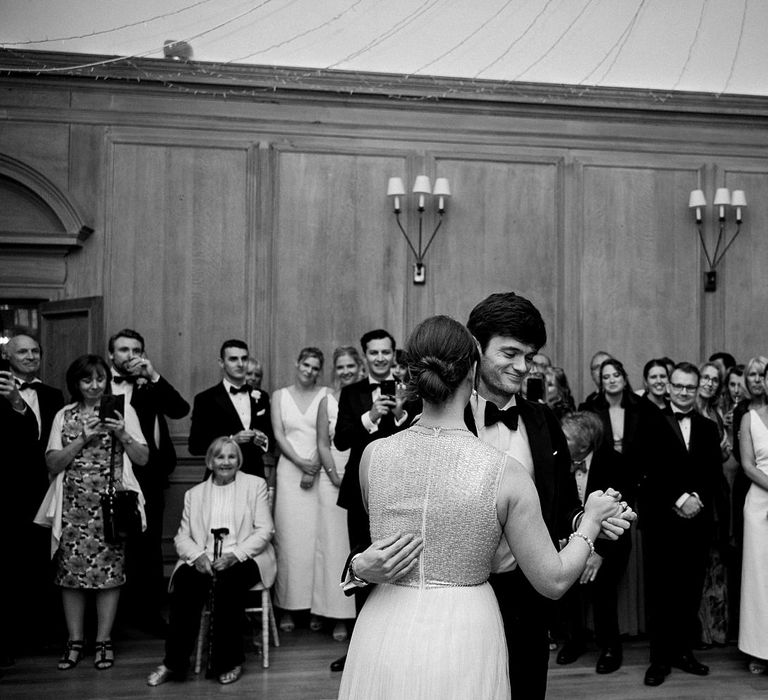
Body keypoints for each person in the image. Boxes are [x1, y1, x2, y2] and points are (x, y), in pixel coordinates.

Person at [337, 315, 624, 699]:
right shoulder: (505, 472)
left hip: (383, 625)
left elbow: (376, 544)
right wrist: (589, 523)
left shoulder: (373, 456)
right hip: (465, 628)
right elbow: (554, 581)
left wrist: (359, 568)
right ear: (473, 370)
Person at [38, 355, 148, 671]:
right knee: (70, 575)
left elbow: (142, 459)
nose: (95, 385)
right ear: (76, 383)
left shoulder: (124, 411)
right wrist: (83, 439)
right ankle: (74, 641)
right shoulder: (64, 415)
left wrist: (122, 433)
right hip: (73, 506)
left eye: (100, 378)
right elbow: (52, 463)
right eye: (87, 380)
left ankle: (103, 640)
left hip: (110, 506)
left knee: (109, 575)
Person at [146, 436, 276, 686]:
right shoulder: (194, 494)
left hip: (246, 556)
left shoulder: (255, 485)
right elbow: (182, 536)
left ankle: (229, 661)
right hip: (204, 557)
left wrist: (234, 556)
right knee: (185, 584)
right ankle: (174, 663)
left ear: (239, 460)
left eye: (231, 456)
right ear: (210, 461)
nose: (226, 462)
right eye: (220, 456)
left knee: (227, 585)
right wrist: (197, 557)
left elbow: (264, 530)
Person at [331, 329, 417, 672]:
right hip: (359, 491)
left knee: (400, 563)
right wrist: (371, 417)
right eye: (373, 353)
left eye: (385, 352)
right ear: (365, 355)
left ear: (392, 354)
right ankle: (359, 650)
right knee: (362, 563)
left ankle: (397, 647)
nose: (380, 358)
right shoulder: (351, 392)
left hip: (402, 490)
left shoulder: (409, 390)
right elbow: (340, 441)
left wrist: (398, 416)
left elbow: (419, 435)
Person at [640, 362, 724, 687]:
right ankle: (659, 660)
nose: (685, 392)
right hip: (662, 521)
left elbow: (712, 472)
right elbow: (647, 471)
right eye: (679, 386)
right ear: (669, 387)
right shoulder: (649, 422)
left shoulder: (707, 427)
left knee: (689, 592)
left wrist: (696, 499)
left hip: (697, 522)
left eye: (691, 387)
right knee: (661, 593)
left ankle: (683, 653)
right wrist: (679, 499)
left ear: (698, 386)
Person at [108, 328, 190, 636]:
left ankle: (149, 613)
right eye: (123, 350)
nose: (130, 355)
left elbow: (180, 409)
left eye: (136, 350)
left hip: (149, 476)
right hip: (109, 473)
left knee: (149, 548)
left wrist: (153, 375)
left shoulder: (149, 384)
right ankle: (113, 618)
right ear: (111, 355)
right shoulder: (99, 383)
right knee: (112, 544)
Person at [0, 329, 64, 663]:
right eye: (22, 352)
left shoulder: (53, 394)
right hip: (7, 489)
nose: (30, 357)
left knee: (41, 561)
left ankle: (41, 632)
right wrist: (14, 404)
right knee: (9, 564)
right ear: (8, 357)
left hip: (45, 486)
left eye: (35, 351)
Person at [555, 412, 633, 674]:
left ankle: (611, 646)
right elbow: (558, 505)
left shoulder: (614, 463)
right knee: (569, 592)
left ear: (585, 443)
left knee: (603, 594)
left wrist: (597, 553)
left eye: (565, 437)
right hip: (570, 538)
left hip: (609, 544)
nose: (559, 441)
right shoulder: (557, 461)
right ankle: (575, 641)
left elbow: (621, 514)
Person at [271, 347, 328, 632]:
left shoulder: (326, 395)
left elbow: (327, 436)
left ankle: (317, 609)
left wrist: (314, 466)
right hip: (289, 472)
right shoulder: (279, 396)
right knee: (289, 542)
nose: (310, 371)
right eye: (306, 365)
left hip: (320, 473)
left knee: (316, 542)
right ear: (297, 363)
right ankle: (287, 608)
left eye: (316, 367)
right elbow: (279, 434)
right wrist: (300, 463)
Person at [313, 346, 361, 641]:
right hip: (332, 475)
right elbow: (322, 443)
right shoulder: (327, 400)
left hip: (358, 473)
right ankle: (336, 615)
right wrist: (333, 476)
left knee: (354, 547)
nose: (345, 372)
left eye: (350, 366)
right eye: (340, 367)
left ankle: (358, 613)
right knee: (333, 550)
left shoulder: (364, 396)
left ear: (359, 367)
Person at [189, 339, 272, 479]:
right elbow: (195, 446)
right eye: (233, 359)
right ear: (221, 363)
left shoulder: (262, 397)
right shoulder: (205, 399)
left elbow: (271, 438)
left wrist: (263, 440)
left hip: (255, 476)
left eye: (244, 358)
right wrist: (232, 440)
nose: (240, 364)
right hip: (220, 478)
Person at [737, 361, 768, 675]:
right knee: (760, 577)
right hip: (760, 504)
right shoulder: (749, 418)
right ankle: (760, 650)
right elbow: (747, 465)